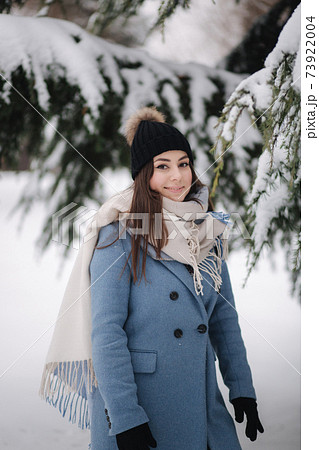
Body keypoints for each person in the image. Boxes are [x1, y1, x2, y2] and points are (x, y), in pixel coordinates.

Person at [40, 106, 263, 450]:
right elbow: (107, 334)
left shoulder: (207, 231)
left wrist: (242, 388)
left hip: (202, 404)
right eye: (163, 166)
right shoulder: (118, 235)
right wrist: (126, 416)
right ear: (144, 174)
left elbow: (223, 317)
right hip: (141, 407)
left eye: (183, 163)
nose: (177, 176)